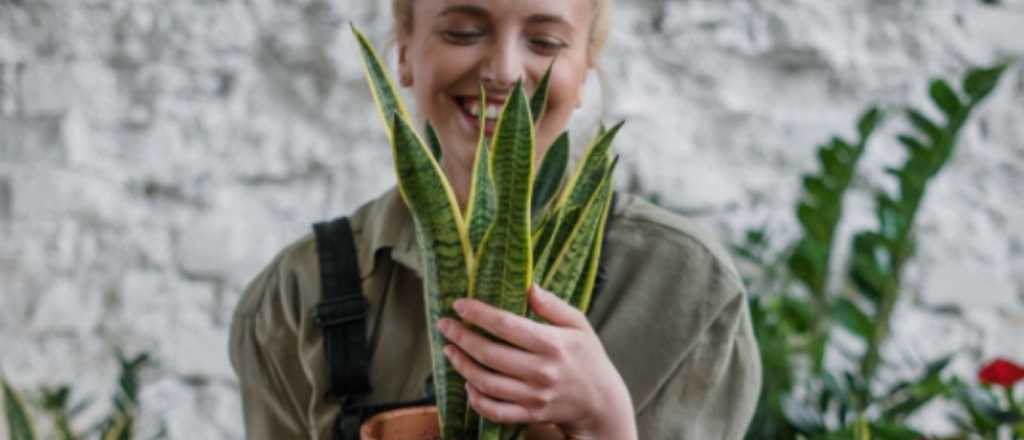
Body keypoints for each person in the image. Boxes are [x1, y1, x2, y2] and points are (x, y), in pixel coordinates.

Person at [229, 0, 762, 439]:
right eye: (463, 32)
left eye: (546, 42)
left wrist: (606, 423)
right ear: (406, 53)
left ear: (585, 68)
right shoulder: (292, 300)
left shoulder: (686, 291)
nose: (503, 71)